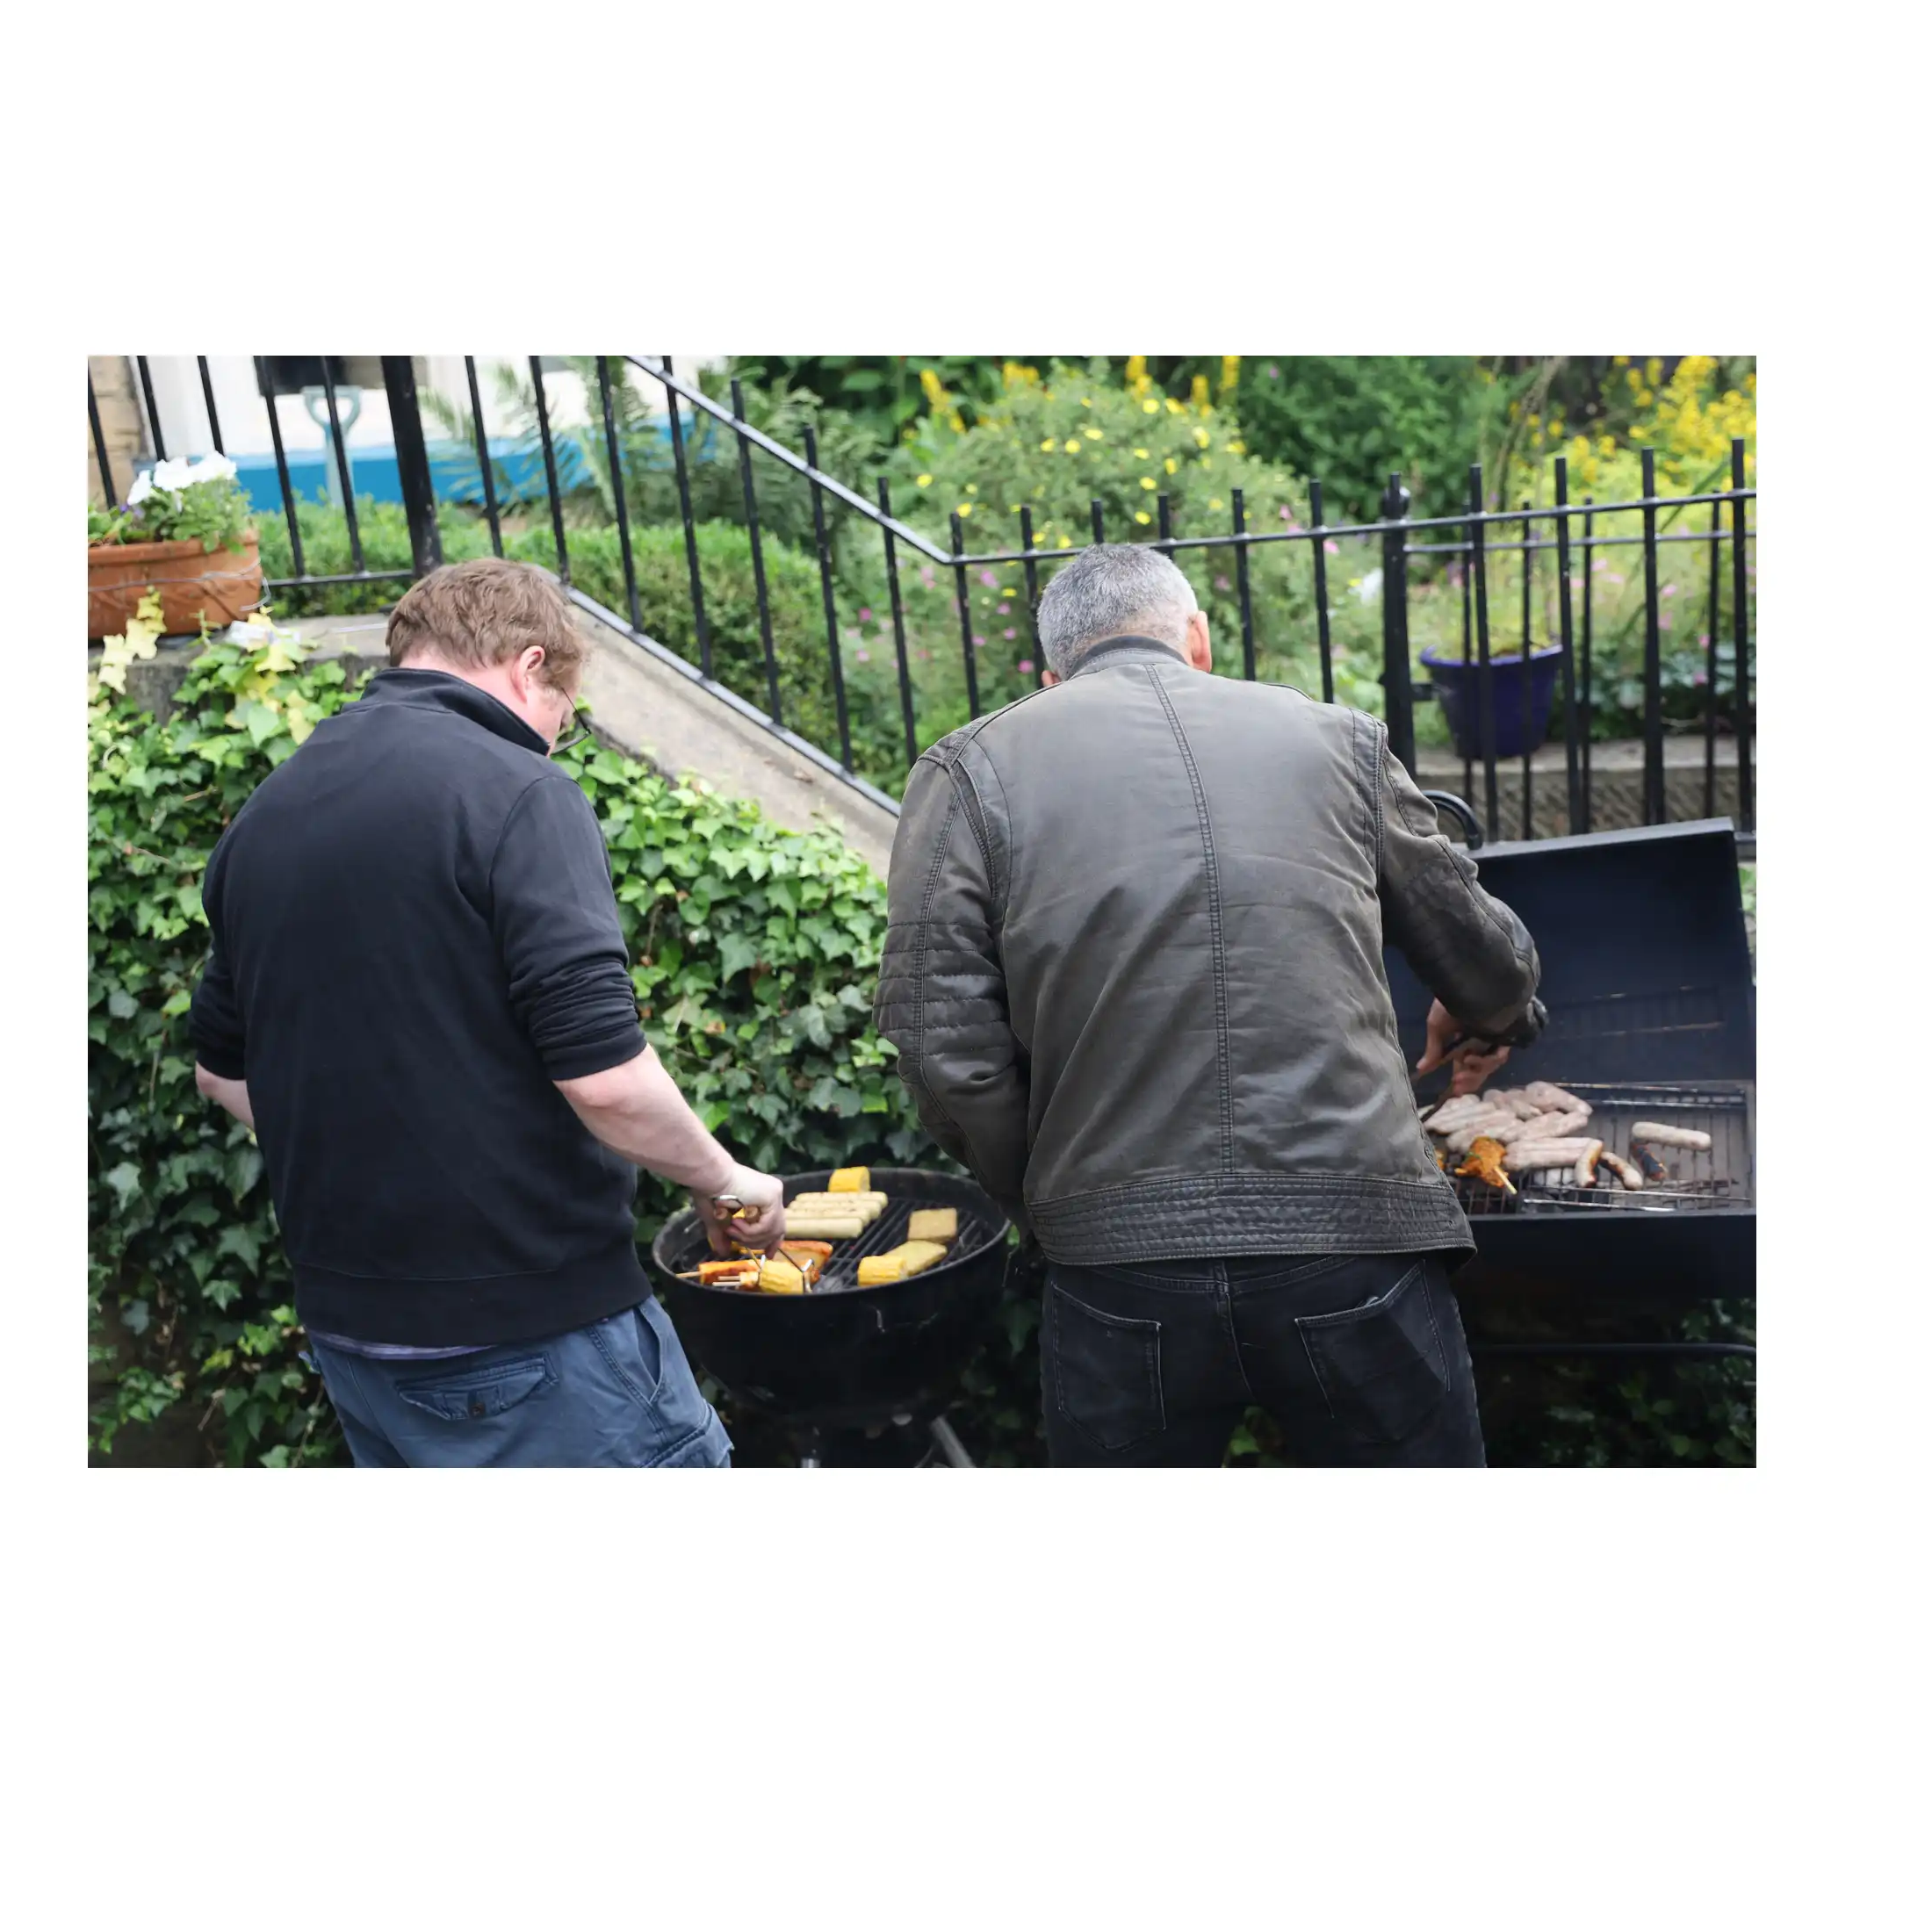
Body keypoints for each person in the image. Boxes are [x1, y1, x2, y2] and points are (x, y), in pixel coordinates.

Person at [874, 543, 1544, 1467]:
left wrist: (1056, 1191)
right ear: (1197, 638)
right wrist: (1491, 1014)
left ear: (1051, 678)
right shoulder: (1339, 738)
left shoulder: (966, 770)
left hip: (1116, 1264)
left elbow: (940, 1045)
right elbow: (1488, 960)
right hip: (1350, 1233)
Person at [189, 558, 783, 1466]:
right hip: (530, 1334)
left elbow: (221, 1072)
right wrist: (723, 1179)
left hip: (354, 1341)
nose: (553, 742)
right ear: (529, 666)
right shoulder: (518, 791)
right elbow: (604, 1078)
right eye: (563, 718)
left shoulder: (266, 812)